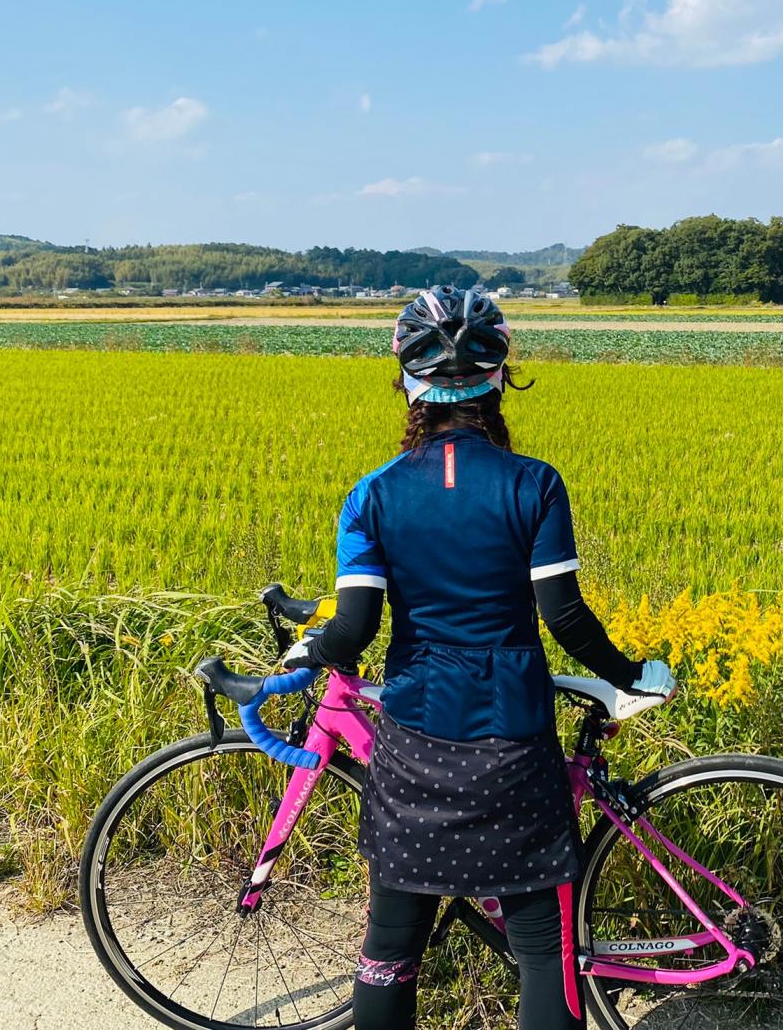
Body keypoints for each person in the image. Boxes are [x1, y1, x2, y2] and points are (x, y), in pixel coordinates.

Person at [281, 285, 676, 1030]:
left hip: (415, 741)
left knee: (392, 949)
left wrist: (313, 645)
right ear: (500, 377)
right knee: (540, 949)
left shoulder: (372, 495)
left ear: (406, 382)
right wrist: (630, 674)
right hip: (513, 743)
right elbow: (564, 616)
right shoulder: (535, 483)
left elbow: (355, 629)